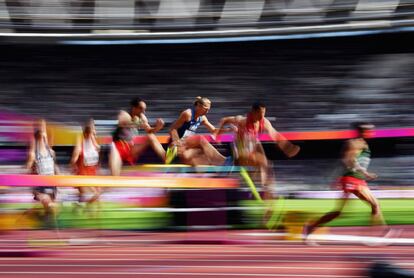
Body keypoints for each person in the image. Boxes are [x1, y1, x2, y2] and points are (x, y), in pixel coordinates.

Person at [303, 122, 393, 243]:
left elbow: (354, 161)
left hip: (358, 179)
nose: (372, 133)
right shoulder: (354, 143)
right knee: (368, 206)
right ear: (363, 132)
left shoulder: (364, 143)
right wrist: (365, 173)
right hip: (351, 179)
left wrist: (363, 174)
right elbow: (349, 160)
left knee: (367, 206)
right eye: (370, 131)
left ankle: (377, 234)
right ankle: (377, 235)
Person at [215, 102, 300, 199]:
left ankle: (263, 190)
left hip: (250, 151)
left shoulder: (265, 122)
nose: (262, 116)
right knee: (263, 162)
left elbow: (275, 135)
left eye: (264, 113)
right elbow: (224, 119)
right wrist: (218, 135)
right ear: (253, 112)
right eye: (260, 113)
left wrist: (288, 147)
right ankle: (264, 190)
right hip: (239, 153)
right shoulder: (242, 121)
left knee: (264, 159)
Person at [109, 97, 166, 175]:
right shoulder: (124, 114)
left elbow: (149, 131)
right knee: (114, 175)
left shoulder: (142, 118)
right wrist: (137, 124)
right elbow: (122, 122)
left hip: (130, 148)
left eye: (144, 109)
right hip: (117, 147)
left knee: (151, 137)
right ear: (134, 108)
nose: (143, 112)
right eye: (141, 108)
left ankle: (166, 157)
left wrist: (158, 127)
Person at [167, 96, 231, 166]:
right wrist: (176, 142)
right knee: (200, 139)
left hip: (186, 147)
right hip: (177, 144)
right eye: (205, 109)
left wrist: (228, 130)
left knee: (193, 155)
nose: (207, 112)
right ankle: (223, 161)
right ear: (199, 106)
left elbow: (214, 130)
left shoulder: (202, 118)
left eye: (208, 110)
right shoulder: (187, 114)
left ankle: (217, 167)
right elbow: (172, 128)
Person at [26, 119, 60, 225]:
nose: (44, 135)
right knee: (49, 205)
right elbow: (27, 170)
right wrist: (31, 169)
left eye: (45, 133)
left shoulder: (51, 152)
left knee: (52, 211)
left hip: (52, 184)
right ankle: (35, 214)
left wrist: (60, 178)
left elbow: (55, 167)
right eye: (42, 133)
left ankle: (37, 216)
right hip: (40, 185)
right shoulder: (33, 154)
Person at [70, 119, 101, 206]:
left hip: (93, 175)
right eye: (93, 129)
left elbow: (97, 155)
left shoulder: (94, 141)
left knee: (96, 199)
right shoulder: (80, 140)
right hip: (84, 175)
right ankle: (82, 206)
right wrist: (73, 166)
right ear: (88, 131)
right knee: (96, 195)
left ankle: (79, 205)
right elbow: (74, 159)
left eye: (95, 128)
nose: (95, 131)